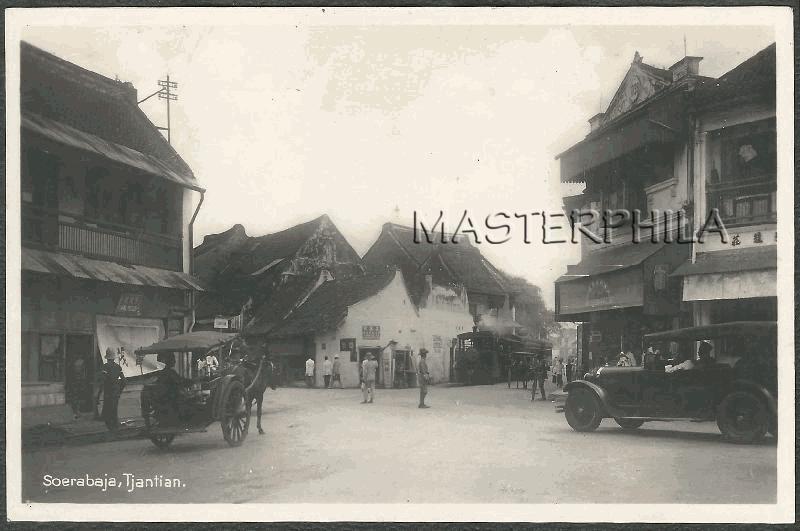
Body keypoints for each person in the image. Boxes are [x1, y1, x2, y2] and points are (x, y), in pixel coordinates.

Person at [101, 348, 126, 431]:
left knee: (108, 408)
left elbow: (103, 379)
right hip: (116, 391)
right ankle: (115, 425)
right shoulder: (118, 367)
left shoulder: (105, 367)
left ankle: (111, 426)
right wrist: (119, 390)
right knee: (114, 408)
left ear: (107, 358)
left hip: (108, 391)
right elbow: (124, 381)